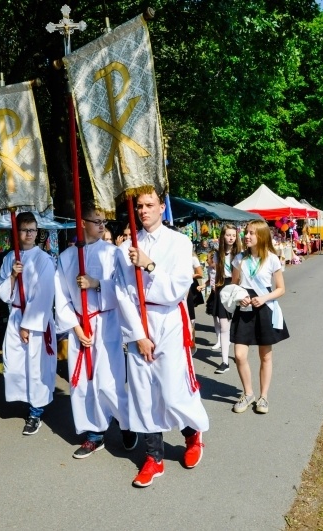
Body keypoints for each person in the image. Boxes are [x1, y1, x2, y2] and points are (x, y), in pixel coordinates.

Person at [118, 191, 209, 488]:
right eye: (139, 207)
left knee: (171, 389)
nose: (143, 211)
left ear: (161, 207)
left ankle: (192, 435)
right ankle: (153, 457)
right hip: (139, 325)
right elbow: (122, 293)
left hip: (168, 319)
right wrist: (138, 335)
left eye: (148, 205)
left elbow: (176, 289)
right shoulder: (127, 248)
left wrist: (149, 265)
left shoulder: (179, 243)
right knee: (144, 393)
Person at [54, 203, 139, 458]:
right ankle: (94, 433)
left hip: (106, 324)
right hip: (80, 326)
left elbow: (125, 289)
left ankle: (127, 424)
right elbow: (62, 297)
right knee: (83, 384)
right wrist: (76, 327)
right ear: (82, 223)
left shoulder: (113, 253)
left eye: (104, 222)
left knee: (109, 382)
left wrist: (96, 284)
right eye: (97, 221)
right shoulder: (67, 257)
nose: (102, 226)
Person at [0, 212, 57, 436]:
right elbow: (3, 292)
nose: (29, 234)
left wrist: (27, 325)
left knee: (35, 367)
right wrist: (13, 276)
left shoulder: (44, 260)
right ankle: (26, 400)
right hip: (16, 315)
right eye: (24, 230)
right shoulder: (10, 258)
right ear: (17, 232)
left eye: (32, 229)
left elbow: (44, 295)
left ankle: (36, 411)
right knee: (14, 364)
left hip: (35, 320)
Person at [230, 220, 290, 415]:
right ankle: (248, 393)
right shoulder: (239, 258)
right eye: (246, 233)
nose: (246, 236)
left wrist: (263, 298)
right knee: (239, 355)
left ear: (262, 236)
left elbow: (281, 289)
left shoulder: (272, 259)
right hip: (245, 309)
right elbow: (234, 286)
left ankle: (263, 396)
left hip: (265, 309)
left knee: (265, 355)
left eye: (251, 233)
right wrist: (240, 299)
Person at [205, 224, 242, 374]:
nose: (231, 237)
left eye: (233, 235)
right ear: (223, 236)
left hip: (237, 286)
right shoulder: (217, 254)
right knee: (224, 325)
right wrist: (213, 288)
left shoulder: (240, 254)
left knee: (239, 324)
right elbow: (215, 273)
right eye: (228, 235)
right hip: (222, 287)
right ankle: (224, 361)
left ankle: (240, 354)